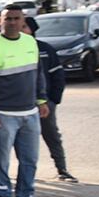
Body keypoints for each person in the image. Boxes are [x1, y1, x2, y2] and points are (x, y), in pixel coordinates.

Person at [0, 5, 50, 197]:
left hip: (30, 113)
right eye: (7, 18)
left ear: (23, 21)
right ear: (0, 21)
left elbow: (38, 74)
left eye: (16, 18)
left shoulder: (30, 43)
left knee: (30, 158)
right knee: (1, 162)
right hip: (3, 115)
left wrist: (41, 99)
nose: (11, 22)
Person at [25, 17, 75, 182]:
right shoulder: (10, 48)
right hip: (20, 105)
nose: (19, 28)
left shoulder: (45, 49)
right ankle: (24, 176)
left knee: (51, 135)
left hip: (44, 103)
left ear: (32, 30)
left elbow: (58, 75)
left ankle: (62, 169)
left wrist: (53, 100)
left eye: (24, 26)